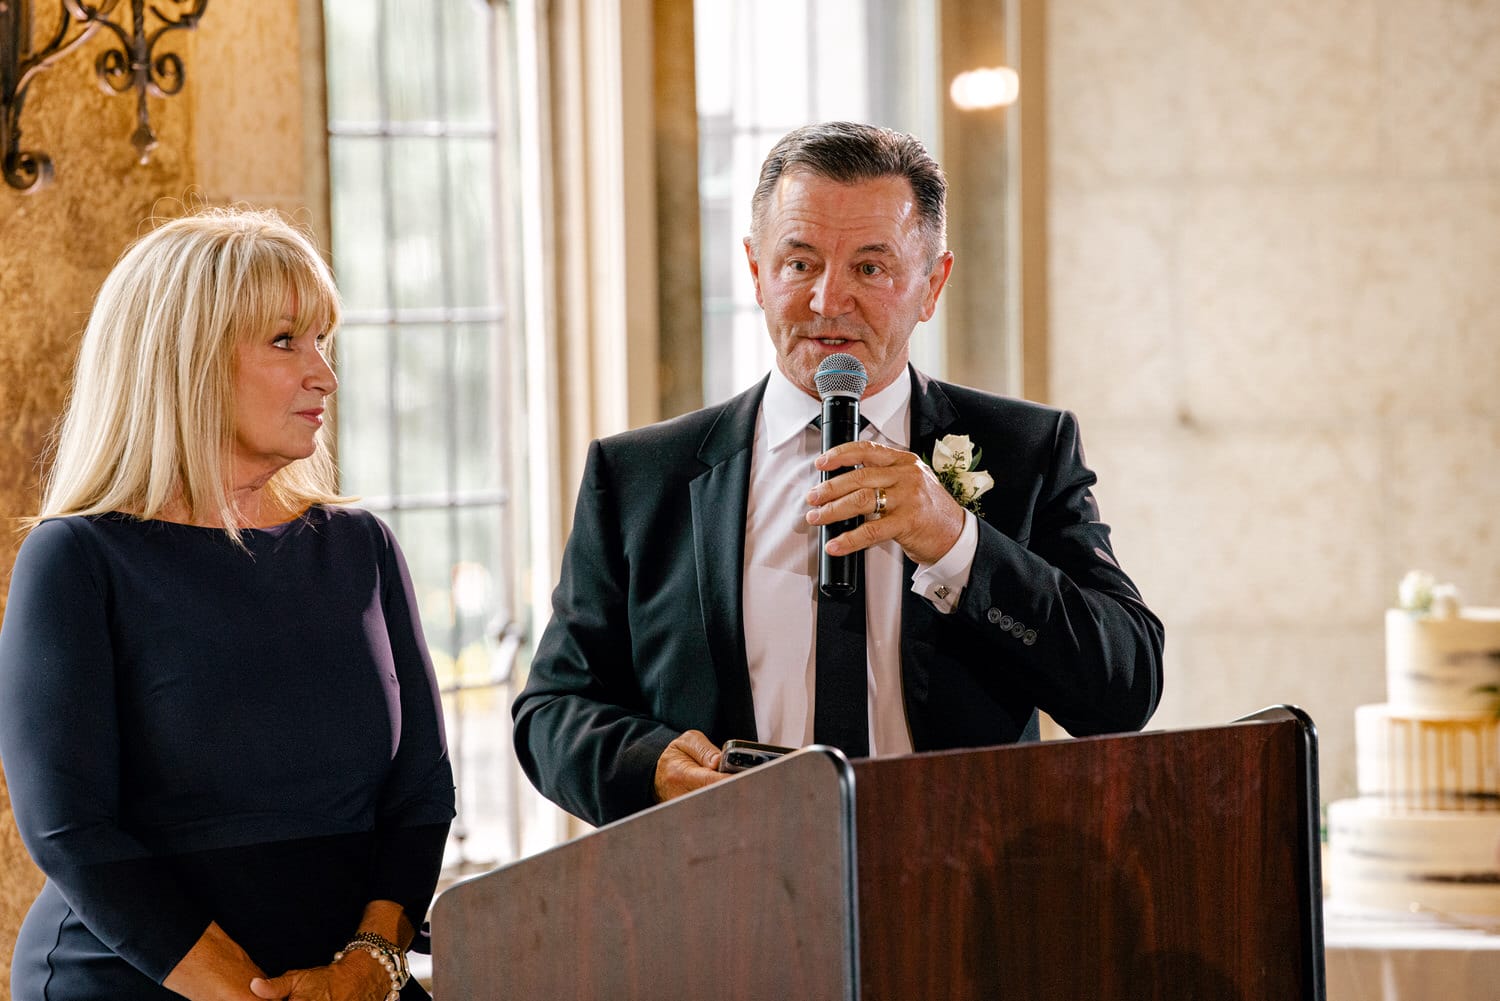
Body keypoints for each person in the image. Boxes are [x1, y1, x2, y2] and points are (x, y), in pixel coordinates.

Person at [513, 121, 1164, 827]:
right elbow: (553, 708)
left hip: (960, 899)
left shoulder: (1026, 450)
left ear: (931, 284)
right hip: (721, 897)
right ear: (757, 273)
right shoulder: (641, 477)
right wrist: (653, 764)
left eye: (870, 267)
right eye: (799, 263)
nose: (828, 300)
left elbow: (1124, 685)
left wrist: (956, 539)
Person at [0, 208, 455, 1001]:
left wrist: (367, 967)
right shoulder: (78, 558)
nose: (324, 373)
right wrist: (246, 994)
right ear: (186, 362)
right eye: (286, 341)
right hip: (134, 984)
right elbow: (70, 829)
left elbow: (420, 792)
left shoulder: (361, 547)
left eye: (324, 340)